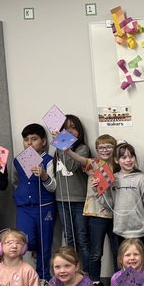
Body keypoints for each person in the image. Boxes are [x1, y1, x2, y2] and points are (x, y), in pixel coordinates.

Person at [10, 123, 57, 281]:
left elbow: (53, 187)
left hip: (44, 208)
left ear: (43, 141)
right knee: (25, 241)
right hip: (24, 208)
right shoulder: (18, 160)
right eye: (26, 139)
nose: (29, 143)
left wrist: (44, 176)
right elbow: (14, 181)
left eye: (34, 139)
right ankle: (27, 269)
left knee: (45, 244)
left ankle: (43, 277)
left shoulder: (49, 160)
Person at [83, 134, 119, 286]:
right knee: (96, 251)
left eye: (109, 146)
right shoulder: (93, 164)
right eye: (101, 147)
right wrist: (66, 149)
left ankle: (119, 281)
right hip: (97, 214)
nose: (105, 150)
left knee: (118, 251)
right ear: (96, 150)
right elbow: (79, 159)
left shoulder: (119, 165)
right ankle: (95, 283)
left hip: (117, 215)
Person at [54, 115, 91, 272]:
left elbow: (71, 166)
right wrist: (59, 147)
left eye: (73, 128)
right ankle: (70, 272)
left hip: (79, 200)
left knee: (82, 238)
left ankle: (87, 273)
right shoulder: (57, 149)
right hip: (62, 199)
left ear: (79, 131)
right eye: (66, 128)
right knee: (69, 238)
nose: (69, 131)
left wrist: (63, 146)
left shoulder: (83, 148)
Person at [110, 142, 144, 261]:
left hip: (140, 230)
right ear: (116, 160)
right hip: (121, 229)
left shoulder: (141, 178)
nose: (128, 160)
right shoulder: (112, 179)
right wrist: (98, 191)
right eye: (124, 157)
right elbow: (109, 204)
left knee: (141, 261)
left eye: (131, 156)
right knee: (125, 261)